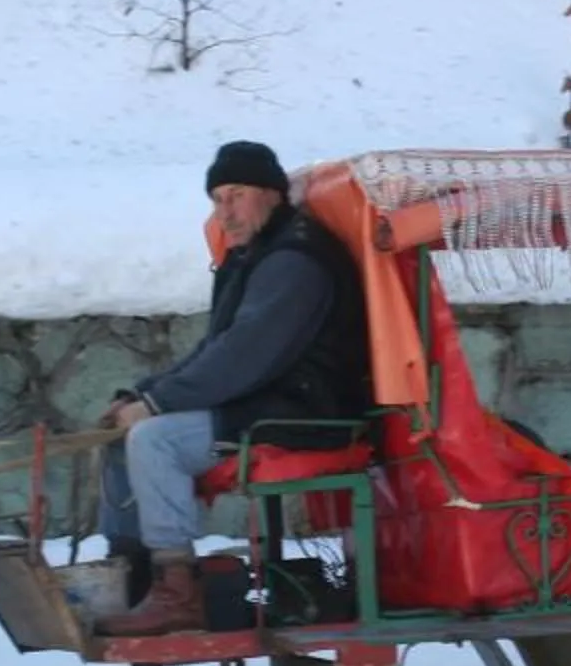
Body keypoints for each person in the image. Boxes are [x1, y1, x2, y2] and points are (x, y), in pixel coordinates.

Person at [96, 141, 372, 635]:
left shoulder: (295, 260)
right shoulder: (254, 257)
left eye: (236, 195)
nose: (225, 212)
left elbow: (243, 357)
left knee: (154, 440)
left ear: (270, 194)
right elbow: (215, 350)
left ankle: (177, 592)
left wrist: (156, 406)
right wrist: (143, 395)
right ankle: (130, 579)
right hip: (267, 401)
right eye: (218, 199)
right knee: (123, 434)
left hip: (304, 411)